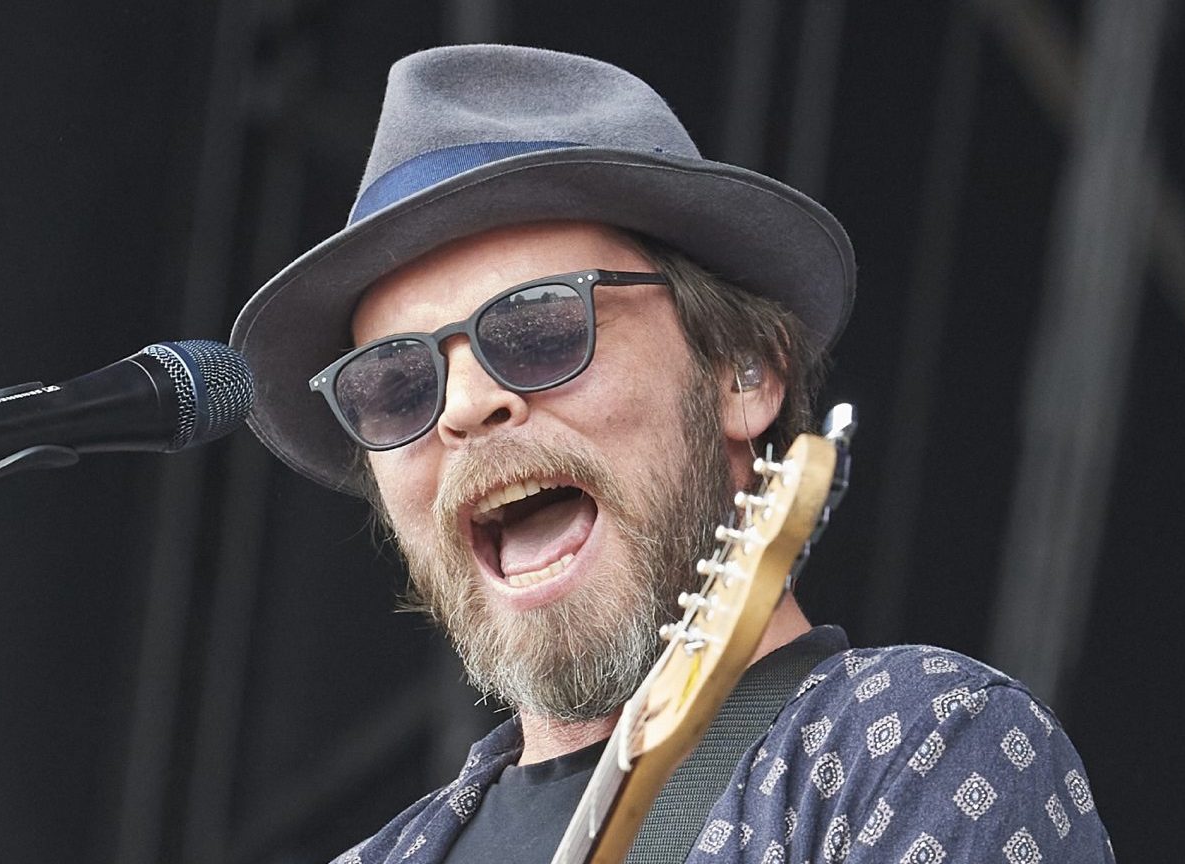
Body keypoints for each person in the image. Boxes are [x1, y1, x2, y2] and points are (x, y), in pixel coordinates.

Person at [231, 44, 1114, 863]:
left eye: (538, 329)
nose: (463, 405)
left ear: (743, 371)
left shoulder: (915, 742)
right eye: (395, 384)